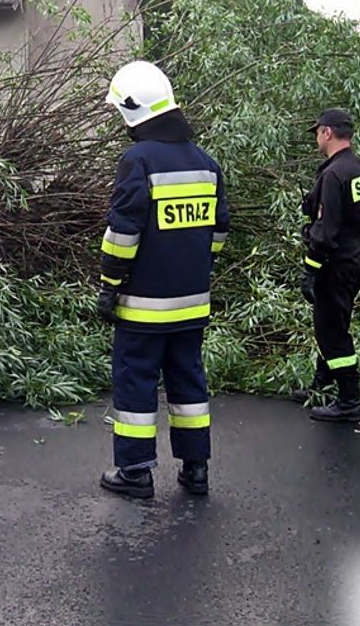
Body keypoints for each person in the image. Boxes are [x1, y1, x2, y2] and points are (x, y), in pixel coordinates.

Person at [96, 61, 229, 499]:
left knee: (135, 380)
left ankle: (135, 472)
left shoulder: (138, 160)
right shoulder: (206, 163)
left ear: (133, 111)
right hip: (193, 303)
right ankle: (196, 471)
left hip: (144, 304)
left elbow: (123, 233)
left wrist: (110, 284)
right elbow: (219, 232)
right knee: (189, 381)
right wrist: (190, 265)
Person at [291, 108, 360, 421]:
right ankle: (321, 384)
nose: (316, 137)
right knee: (331, 324)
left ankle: (348, 401)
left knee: (332, 330)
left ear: (327, 132)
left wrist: (310, 271)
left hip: (335, 263)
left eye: (317, 132)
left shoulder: (332, 175)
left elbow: (325, 232)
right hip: (355, 256)